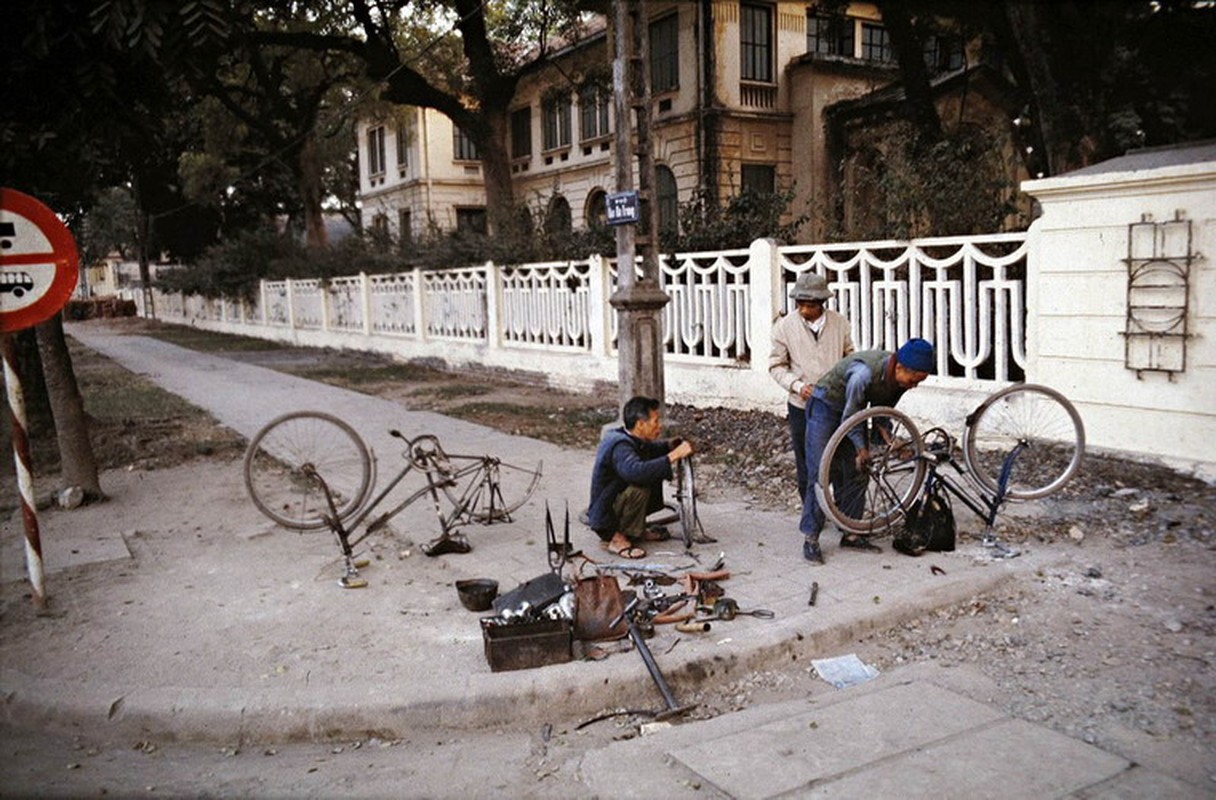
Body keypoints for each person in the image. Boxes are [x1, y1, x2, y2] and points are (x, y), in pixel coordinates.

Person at [799, 338, 935, 565]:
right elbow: (851, 418)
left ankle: (851, 532)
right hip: (827, 405)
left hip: (855, 410)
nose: (914, 385)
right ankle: (811, 537)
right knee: (820, 473)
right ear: (900, 367)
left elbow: (882, 412)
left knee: (859, 470)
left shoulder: (898, 379)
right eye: (914, 380)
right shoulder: (863, 375)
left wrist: (891, 442)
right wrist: (862, 448)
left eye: (919, 381)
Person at [769, 271, 855, 501]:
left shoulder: (839, 323)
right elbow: (776, 366)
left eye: (810, 305)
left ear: (821, 303)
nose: (805, 310)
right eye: (801, 304)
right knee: (807, 461)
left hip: (836, 402)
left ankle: (843, 512)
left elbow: (850, 356)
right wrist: (797, 386)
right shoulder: (784, 327)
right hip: (801, 404)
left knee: (841, 457)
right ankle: (812, 511)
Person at [587, 396, 694, 559]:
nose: (659, 426)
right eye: (656, 422)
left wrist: (668, 446)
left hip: (614, 502)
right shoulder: (620, 445)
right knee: (641, 484)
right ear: (640, 424)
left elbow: (649, 449)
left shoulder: (630, 437)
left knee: (649, 470)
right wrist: (674, 455)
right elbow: (635, 472)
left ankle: (636, 531)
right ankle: (615, 538)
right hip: (605, 516)